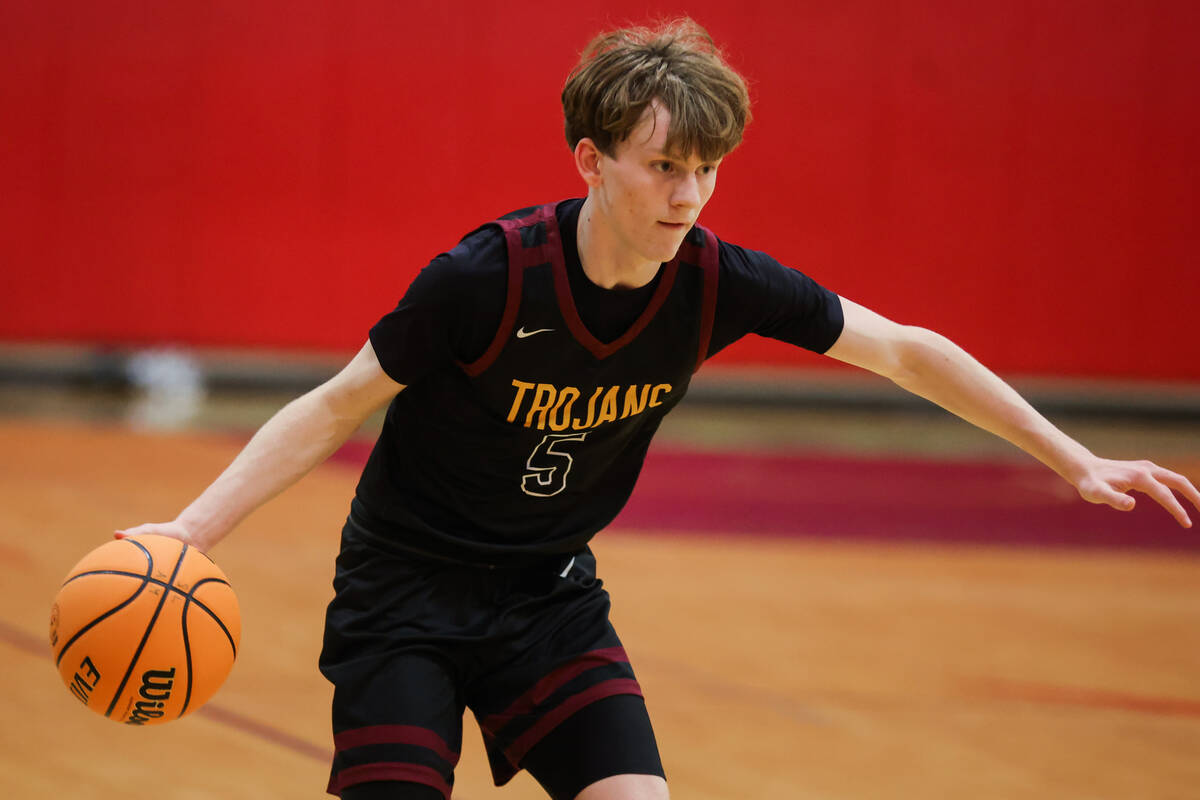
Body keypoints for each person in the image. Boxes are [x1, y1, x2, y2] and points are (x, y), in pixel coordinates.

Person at [117, 18, 1199, 800]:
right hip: (405, 594)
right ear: (591, 160)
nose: (688, 195)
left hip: (548, 599)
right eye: (665, 166)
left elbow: (904, 349)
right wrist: (186, 533)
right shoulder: (485, 279)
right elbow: (336, 403)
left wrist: (1071, 456)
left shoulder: (717, 281)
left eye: (708, 169)